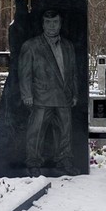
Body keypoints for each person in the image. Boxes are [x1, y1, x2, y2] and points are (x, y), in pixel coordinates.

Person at [19, 10, 79, 177]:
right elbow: (25, 73)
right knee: (36, 132)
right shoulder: (31, 46)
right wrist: (26, 95)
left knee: (65, 132)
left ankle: (64, 161)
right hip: (40, 97)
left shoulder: (68, 46)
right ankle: (33, 163)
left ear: (60, 24)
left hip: (64, 97)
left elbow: (72, 72)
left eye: (55, 22)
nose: (52, 26)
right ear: (43, 24)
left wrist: (74, 93)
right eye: (48, 22)